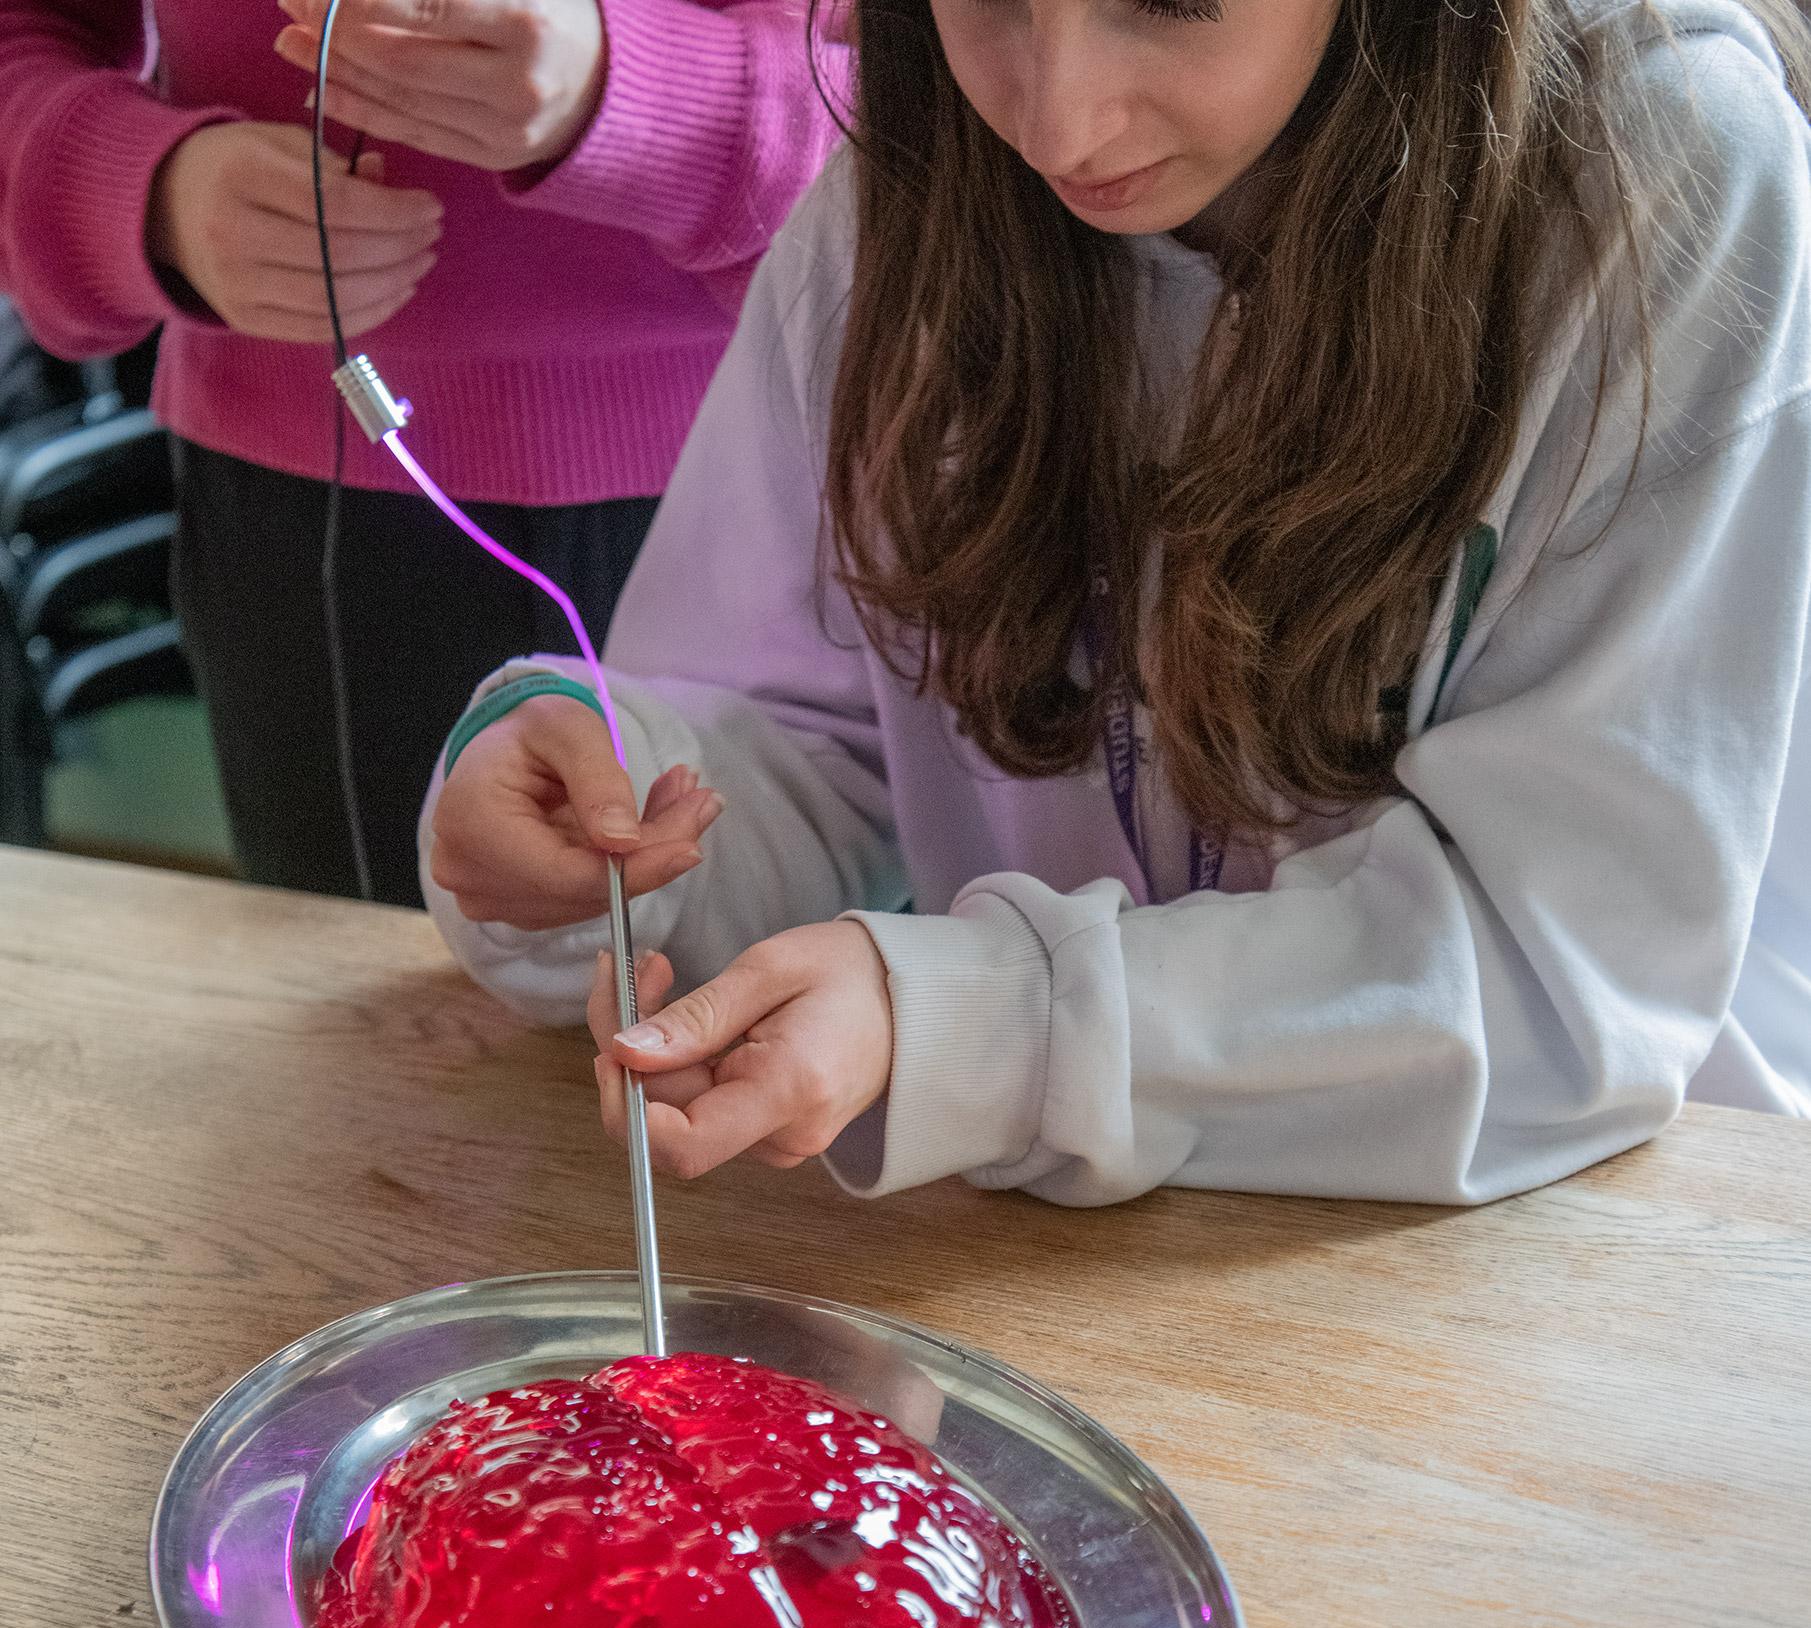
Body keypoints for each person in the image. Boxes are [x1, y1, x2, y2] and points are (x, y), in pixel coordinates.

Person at [420, 0, 1811, 1208]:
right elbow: (818, 734)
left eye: (1167, 0)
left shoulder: (1657, 172)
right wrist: (624, 825)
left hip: (1582, 1236)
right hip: (1040, 1252)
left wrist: (983, 1025)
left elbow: (1562, 983)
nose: (1057, 122)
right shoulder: (906, 187)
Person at [0, 0, 844, 903]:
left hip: (798, 486)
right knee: (362, 982)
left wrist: (651, 100)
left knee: (784, 974)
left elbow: (934, 106)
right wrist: (145, 187)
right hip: (313, 539)